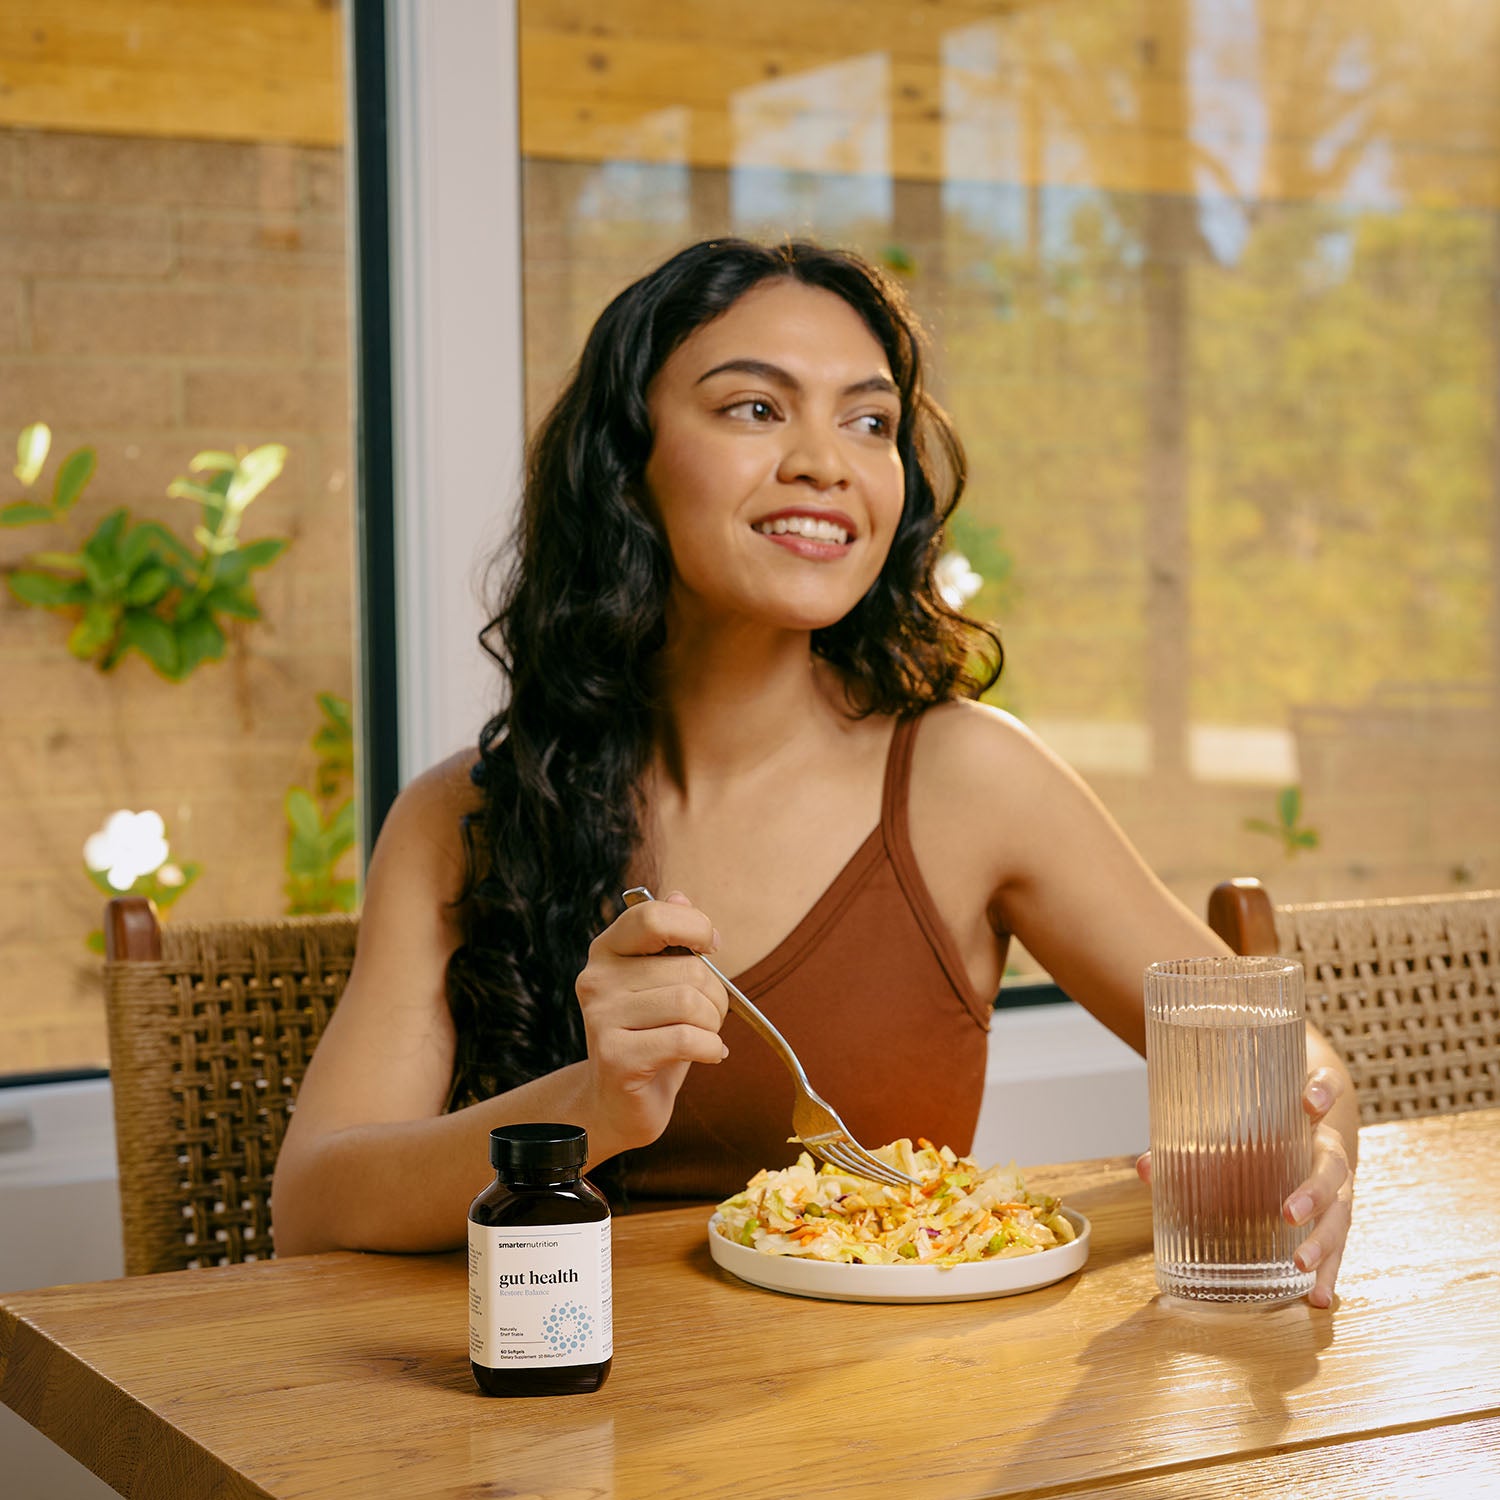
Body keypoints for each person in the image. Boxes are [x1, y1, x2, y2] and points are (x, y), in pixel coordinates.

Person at [272, 238, 1356, 1305]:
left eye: (869, 421)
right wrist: (595, 1106)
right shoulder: (463, 814)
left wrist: (1318, 1129)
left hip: (886, 1435)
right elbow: (314, 1206)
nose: (826, 462)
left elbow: (1274, 1052)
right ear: (625, 461)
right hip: (546, 1426)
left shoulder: (970, 778)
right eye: (754, 407)